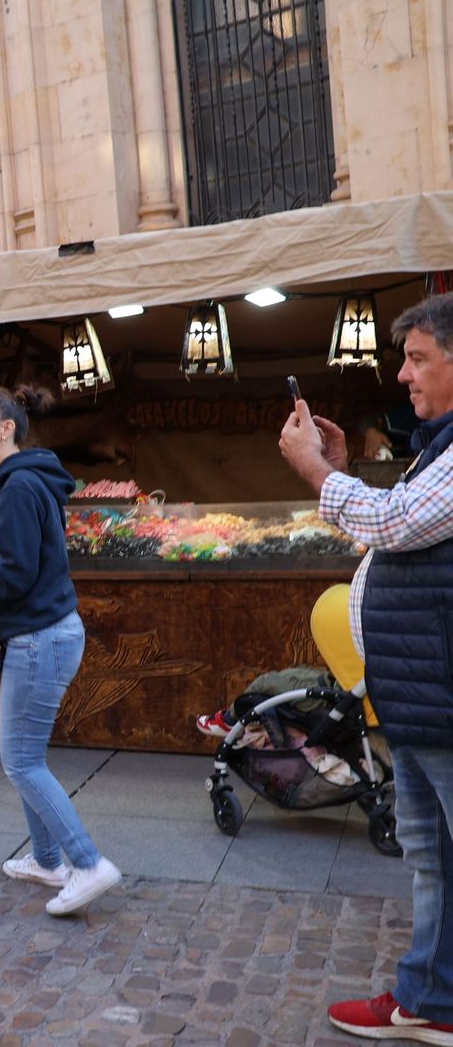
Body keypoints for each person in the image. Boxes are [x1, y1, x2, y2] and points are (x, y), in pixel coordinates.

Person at [280, 293, 453, 1042]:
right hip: (420, 693)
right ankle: (431, 998)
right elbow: (404, 525)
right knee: (431, 853)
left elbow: (393, 523)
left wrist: (319, 474)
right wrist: (345, 470)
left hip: (442, 692)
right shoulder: (437, 448)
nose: (403, 376)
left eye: (418, 359)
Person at [0, 385, 121, 916]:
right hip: (46, 635)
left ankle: (88, 863)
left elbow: (19, 574)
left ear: (7, 428)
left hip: (40, 639)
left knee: (21, 761)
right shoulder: (20, 481)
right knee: (27, 757)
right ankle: (48, 861)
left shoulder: (19, 488)